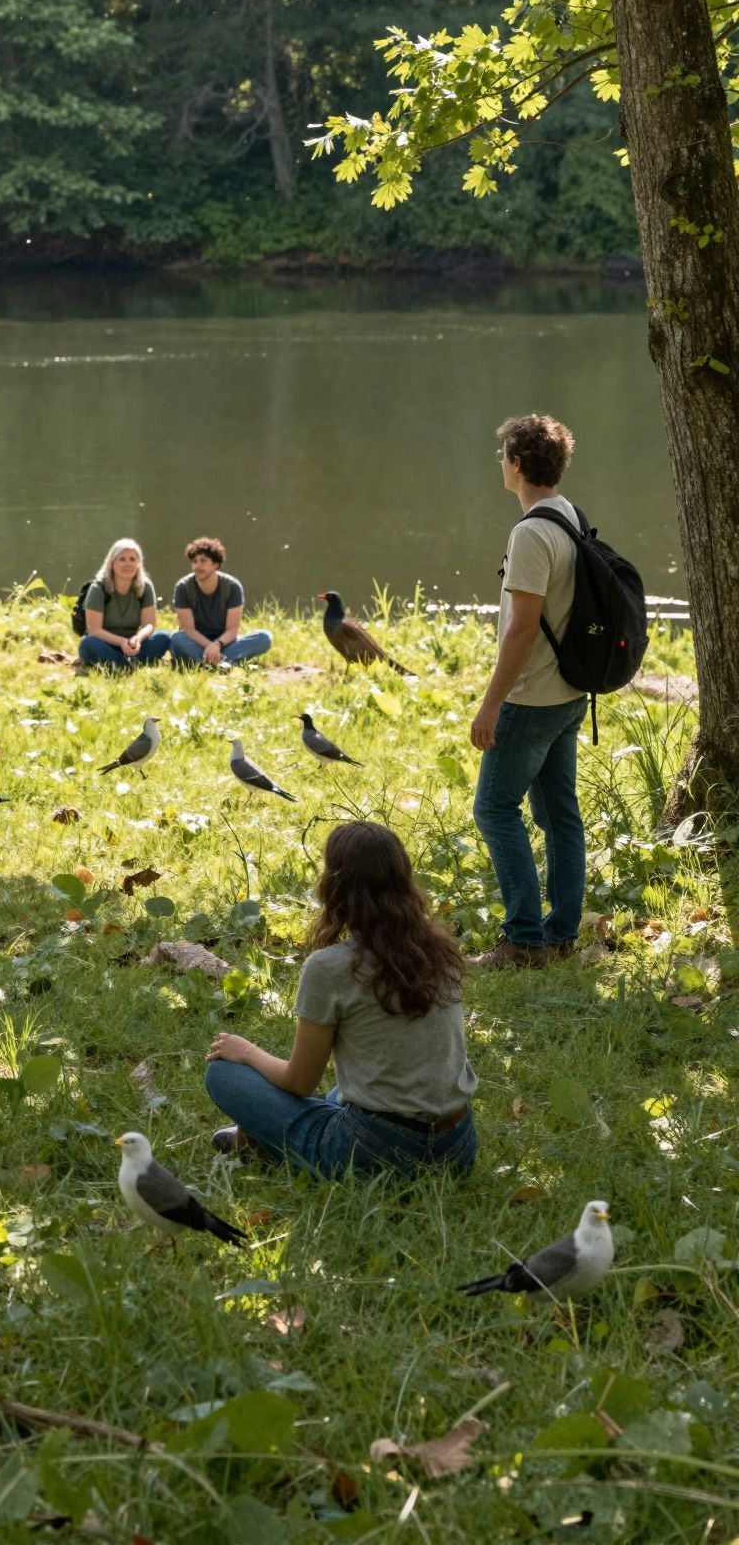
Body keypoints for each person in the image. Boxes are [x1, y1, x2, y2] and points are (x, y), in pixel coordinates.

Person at [203, 821, 476, 1179]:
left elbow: (300, 1082)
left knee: (224, 1073)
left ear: (333, 885)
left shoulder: (330, 967)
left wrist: (247, 1052)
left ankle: (262, 1136)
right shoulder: (440, 951)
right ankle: (257, 1135)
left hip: (373, 1152)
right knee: (341, 1094)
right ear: (404, 879)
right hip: (457, 1148)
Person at [468, 413, 588, 969]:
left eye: (503, 458)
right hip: (569, 693)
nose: (501, 465)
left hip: (533, 697)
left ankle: (522, 940)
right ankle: (561, 934)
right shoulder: (569, 516)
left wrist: (492, 703)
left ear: (517, 465)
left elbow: (521, 627)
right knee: (560, 814)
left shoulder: (530, 532)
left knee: (494, 808)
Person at [169, 536, 273, 669]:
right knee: (177, 639)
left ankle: (209, 663)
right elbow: (188, 629)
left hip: (224, 642)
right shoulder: (183, 587)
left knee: (264, 637)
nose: (198, 566)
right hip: (196, 641)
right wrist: (209, 646)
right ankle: (223, 663)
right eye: (194, 561)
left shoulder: (232, 586)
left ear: (216, 564)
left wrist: (217, 645)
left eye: (203, 561)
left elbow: (232, 629)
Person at [78, 538, 172, 669]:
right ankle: (128, 664)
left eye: (133, 559)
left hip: (133, 644)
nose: (128, 564)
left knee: (164, 637)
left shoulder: (145, 586)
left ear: (139, 563)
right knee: (88, 643)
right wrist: (121, 642)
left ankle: (121, 664)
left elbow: (150, 624)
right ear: (112, 563)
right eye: (122, 559)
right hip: (105, 643)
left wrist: (137, 639)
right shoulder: (98, 588)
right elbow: (94, 630)